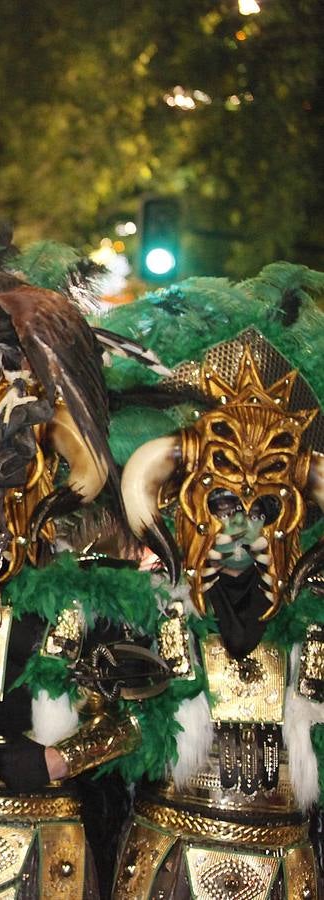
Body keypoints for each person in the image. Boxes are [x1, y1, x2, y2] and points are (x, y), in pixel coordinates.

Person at [110, 328, 323, 899]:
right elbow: (116, 718)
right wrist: (58, 757)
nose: (242, 524)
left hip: (285, 865)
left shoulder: (313, 621)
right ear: (196, 505)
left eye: (263, 507)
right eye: (226, 502)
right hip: (169, 857)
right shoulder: (148, 606)